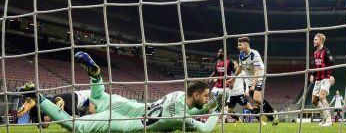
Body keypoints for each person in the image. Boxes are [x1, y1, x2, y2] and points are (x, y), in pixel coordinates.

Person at [27, 52, 221, 132]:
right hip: (126, 122)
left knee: (98, 96)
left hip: (130, 106)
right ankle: (38, 97)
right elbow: (205, 128)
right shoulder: (180, 118)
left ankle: (96, 77)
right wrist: (218, 112)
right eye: (205, 96)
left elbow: (194, 110)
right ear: (195, 95)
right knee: (75, 126)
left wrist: (212, 104)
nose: (206, 99)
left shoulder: (178, 94)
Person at [232, 37, 280, 126]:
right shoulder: (241, 55)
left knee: (256, 98)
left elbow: (257, 71)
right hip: (250, 79)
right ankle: (272, 118)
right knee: (258, 102)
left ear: (246, 45)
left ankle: (274, 111)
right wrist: (233, 78)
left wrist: (253, 85)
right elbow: (240, 67)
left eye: (240, 45)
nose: (238, 47)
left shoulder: (254, 54)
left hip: (259, 76)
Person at [17, 83, 94, 127]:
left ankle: (34, 103)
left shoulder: (93, 93)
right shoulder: (96, 95)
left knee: (43, 125)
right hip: (71, 98)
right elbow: (92, 112)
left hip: (61, 97)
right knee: (75, 123)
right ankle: (60, 108)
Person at [310, 33, 334, 127]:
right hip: (318, 79)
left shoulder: (326, 51)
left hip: (326, 78)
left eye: (315, 39)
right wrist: (313, 75)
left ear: (321, 40)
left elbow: (332, 63)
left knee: (322, 96)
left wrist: (331, 75)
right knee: (314, 101)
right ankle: (324, 118)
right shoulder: (315, 53)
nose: (313, 41)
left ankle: (329, 120)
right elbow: (317, 66)